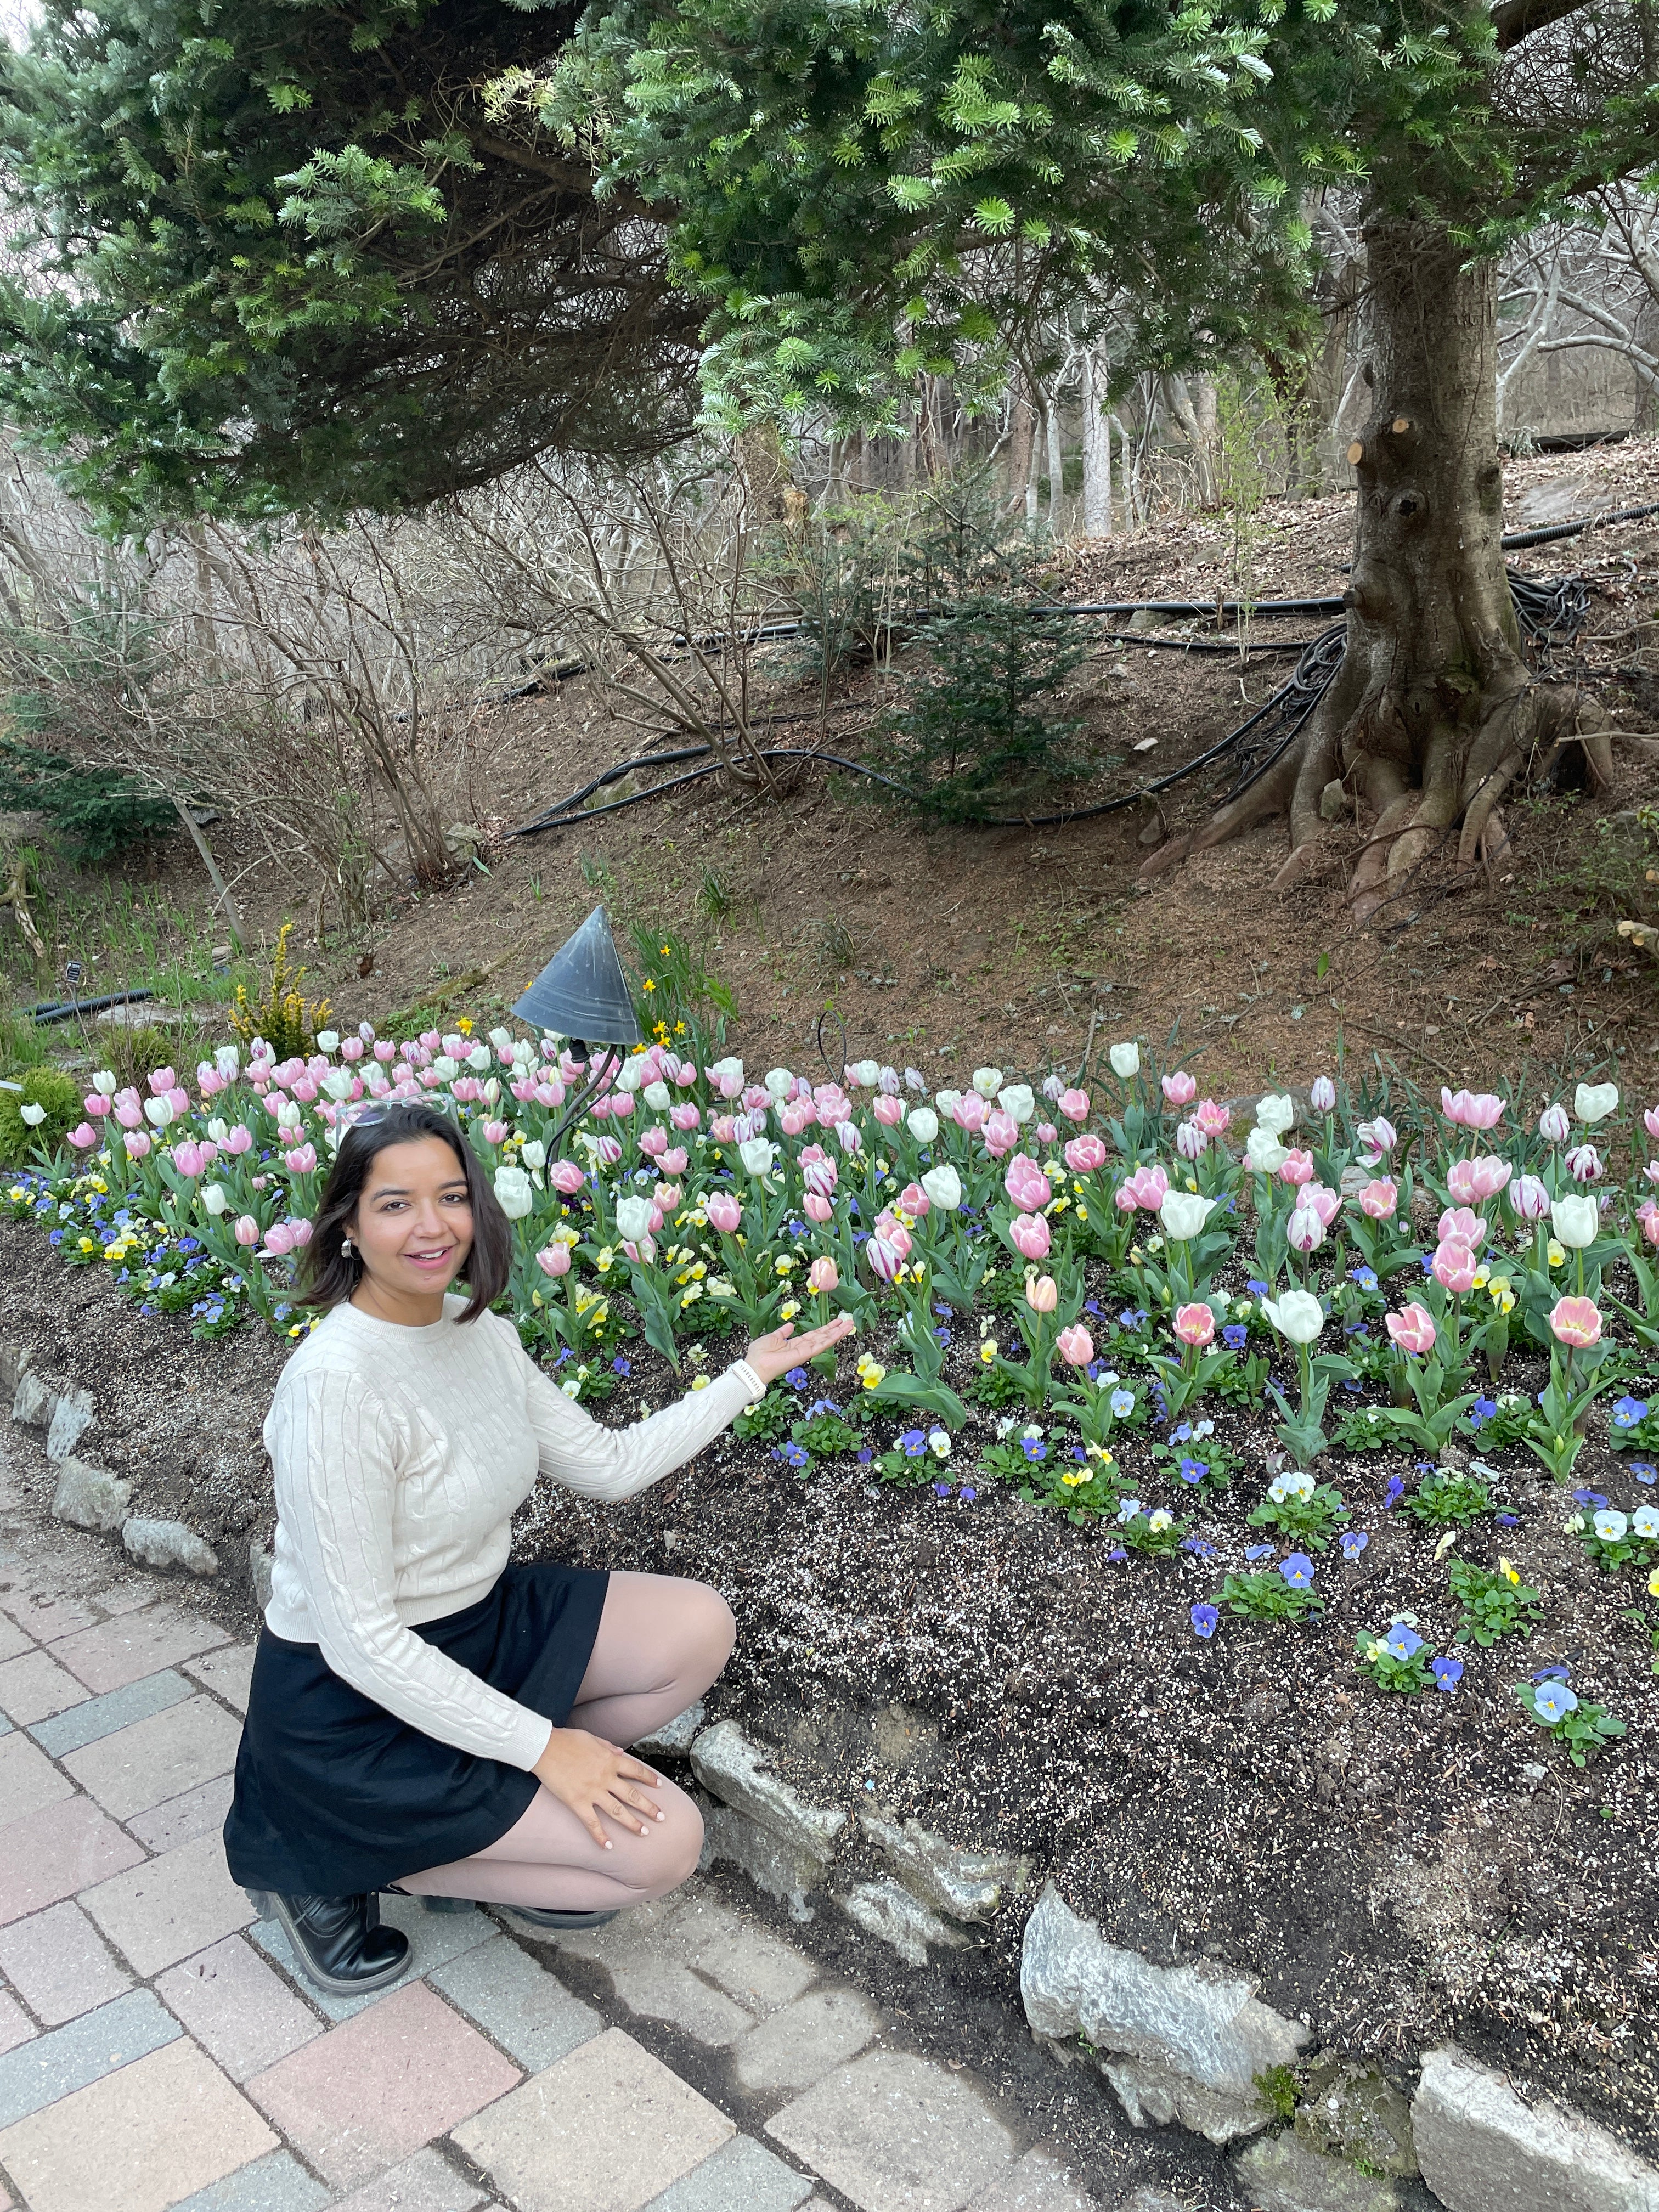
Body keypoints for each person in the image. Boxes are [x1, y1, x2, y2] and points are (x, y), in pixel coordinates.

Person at [222, 1098, 853, 1997]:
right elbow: (361, 1641)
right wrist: (547, 1749)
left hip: (478, 1626)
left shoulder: (479, 1334)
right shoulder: (335, 1388)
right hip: (355, 1704)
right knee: (666, 1847)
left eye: (451, 1196)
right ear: (349, 1226)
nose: (433, 1226)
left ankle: (503, 1813)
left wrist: (746, 1377)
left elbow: (609, 1466)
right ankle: (334, 1859)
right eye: (396, 1204)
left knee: (697, 1628)